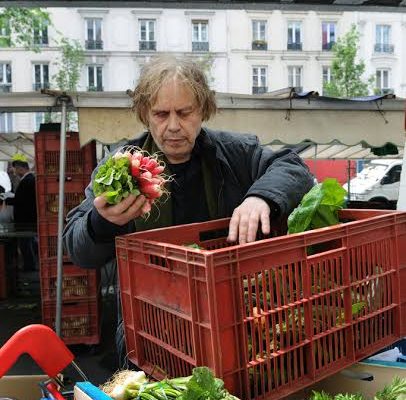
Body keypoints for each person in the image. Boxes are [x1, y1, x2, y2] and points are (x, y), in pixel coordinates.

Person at [63, 55, 314, 367]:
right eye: (160, 114)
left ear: (203, 110)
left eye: (184, 113)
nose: (173, 126)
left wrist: (260, 198)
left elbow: (293, 167)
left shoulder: (234, 153)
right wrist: (101, 223)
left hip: (230, 324)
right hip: (150, 333)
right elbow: (78, 249)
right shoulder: (121, 168)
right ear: (145, 114)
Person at [6, 160, 38, 271]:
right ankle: (30, 264)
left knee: (26, 243)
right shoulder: (28, 179)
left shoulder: (28, 180)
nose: (14, 172)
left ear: (20, 168)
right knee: (28, 243)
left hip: (26, 219)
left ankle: (30, 266)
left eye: (14, 169)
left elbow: (23, 200)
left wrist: (7, 199)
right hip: (27, 218)